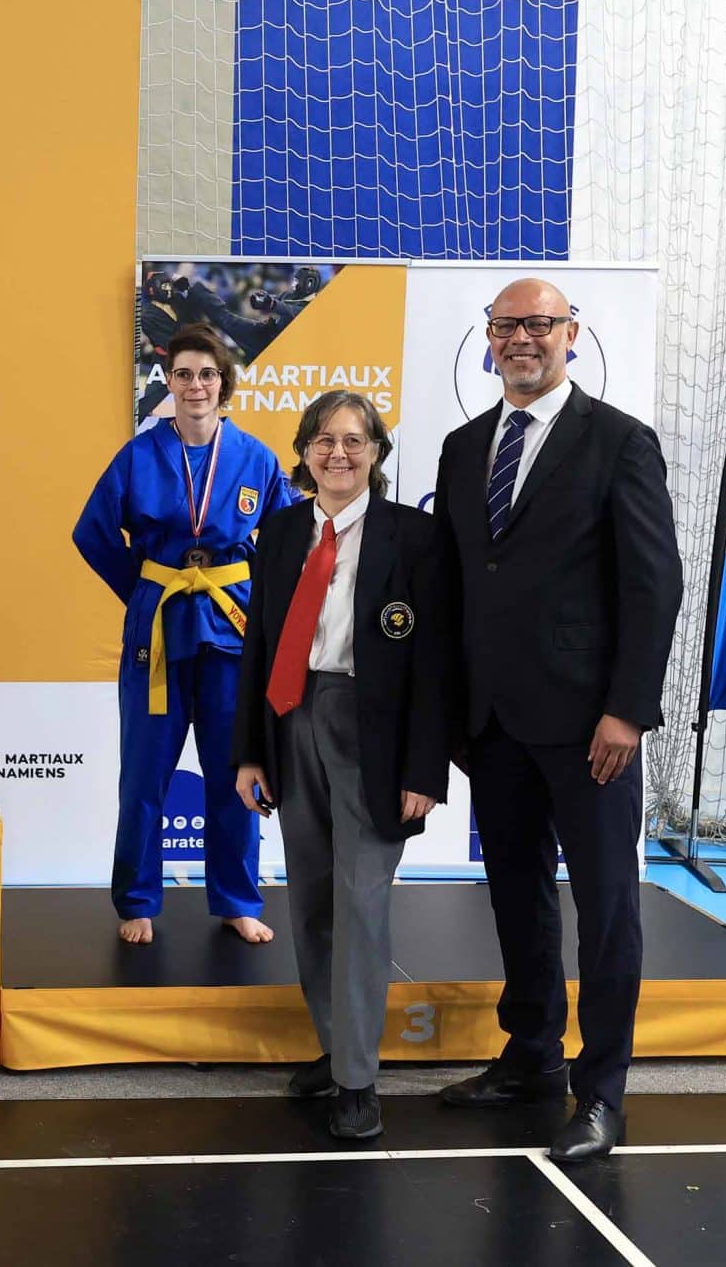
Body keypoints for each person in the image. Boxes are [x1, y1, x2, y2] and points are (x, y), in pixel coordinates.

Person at [432, 277, 682, 1163]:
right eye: (507, 326)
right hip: (494, 723)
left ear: (571, 333)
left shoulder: (620, 441)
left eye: (539, 323)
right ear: (489, 338)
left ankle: (602, 1091)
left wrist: (628, 710)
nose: (522, 339)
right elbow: (457, 586)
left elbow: (654, 584)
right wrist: (452, 715)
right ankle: (531, 1053)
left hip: (591, 728)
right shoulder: (463, 448)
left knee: (607, 906)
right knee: (516, 892)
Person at [232, 391, 451, 1139]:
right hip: (294, 718)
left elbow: (435, 662)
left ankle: (358, 1080)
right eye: (324, 440)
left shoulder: (413, 536)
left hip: (374, 734)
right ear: (303, 452)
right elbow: (260, 647)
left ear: (377, 453)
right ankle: (336, 1047)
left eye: (355, 440)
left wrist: (425, 768)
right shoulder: (281, 530)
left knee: (361, 904)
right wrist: (251, 750)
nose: (339, 454)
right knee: (313, 902)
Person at [74, 322, 296, 946]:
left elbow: (285, 541)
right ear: (167, 383)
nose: (195, 385)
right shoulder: (138, 455)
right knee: (145, 774)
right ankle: (137, 899)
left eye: (206, 374)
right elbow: (92, 531)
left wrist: (256, 596)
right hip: (160, 633)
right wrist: (146, 589)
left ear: (224, 383)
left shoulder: (255, 457)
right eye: (183, 375)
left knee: (238, 772)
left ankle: (237, 899)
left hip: (231, 632)